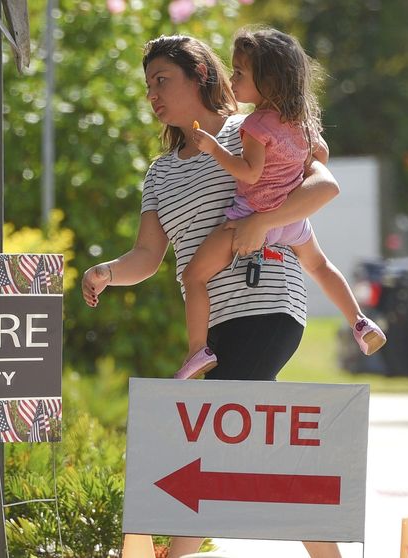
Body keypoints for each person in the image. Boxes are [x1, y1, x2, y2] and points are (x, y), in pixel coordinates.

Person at [82, 34, 345, 558]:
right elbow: (148, 258)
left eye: (163, 80)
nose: (152, 94)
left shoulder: (249, 128)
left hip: (268, 303)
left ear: (200, 74)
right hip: (218, 324)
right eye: (148, 84)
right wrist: (107, 273)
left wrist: (266, 221)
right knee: (257, 446)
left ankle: (176, 553)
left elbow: (321, 182)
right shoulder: (159, 174)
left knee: (211, 428)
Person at [175, 26, 386, 380]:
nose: (232, 78)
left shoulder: (256, 124)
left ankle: (198, 349)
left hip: (249, 217)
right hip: (291, 221)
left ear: (269, 80)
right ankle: (359, 321)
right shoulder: (301, 123)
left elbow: (249, 173)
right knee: (319, 266)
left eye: (240, 72)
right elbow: (321, 153)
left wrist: (214, 149)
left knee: (193, 276)